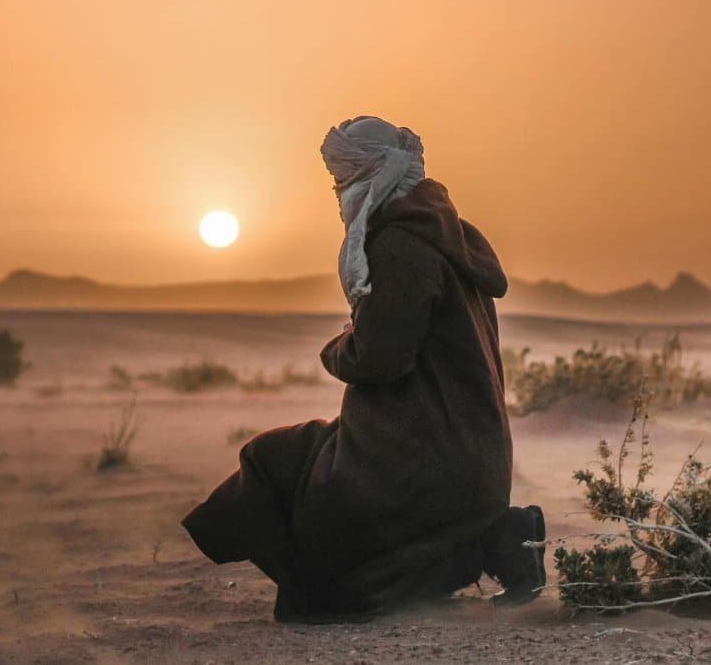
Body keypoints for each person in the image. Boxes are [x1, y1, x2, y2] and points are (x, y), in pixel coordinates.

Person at [181, 115, 545, 622]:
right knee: (303, 463)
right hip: (469, 459)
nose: (338, 193)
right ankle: (499, 540)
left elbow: (380, 357)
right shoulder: (448, 235)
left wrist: (337, 349)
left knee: (273, 467)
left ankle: (491, 543)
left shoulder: (402, 245)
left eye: (343, 179)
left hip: (425, 462)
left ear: (374, 176)